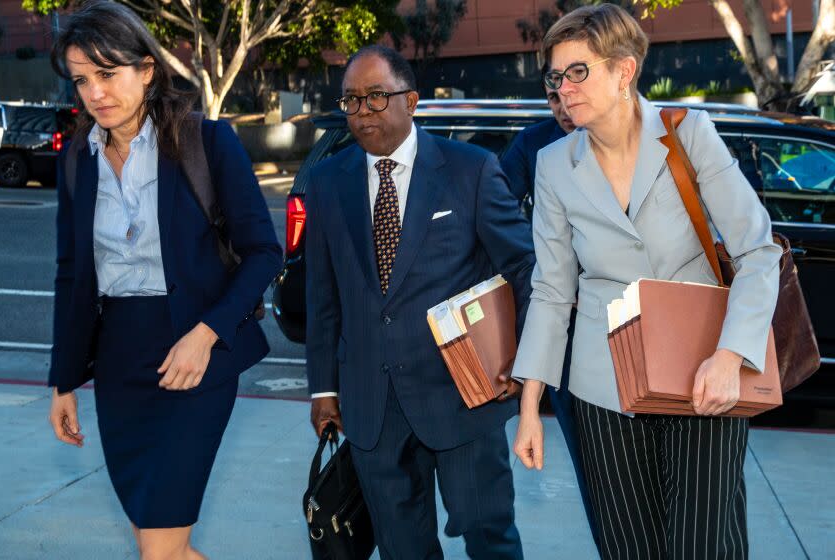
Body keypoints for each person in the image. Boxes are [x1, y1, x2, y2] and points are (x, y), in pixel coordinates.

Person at [511, 5, 781, 559]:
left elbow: (757, 250)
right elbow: (553, 291)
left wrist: (731, 356)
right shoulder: (554, 164)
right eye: (556, 77)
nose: (564, 89)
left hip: (705, 371)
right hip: (602, 386)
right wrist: (531, 406)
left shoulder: (689, 135)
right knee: (629, 546)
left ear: (624, 70)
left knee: (704, 543)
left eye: (579, 71)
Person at [46, 3, 281, 559]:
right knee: (162, 546)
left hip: (195, 356)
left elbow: (264, 252)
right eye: (82, 80)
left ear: (146, 69)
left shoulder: (207, 143)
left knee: (160, 549)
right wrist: (62, 381)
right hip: (119, 363)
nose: (95, 92)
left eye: (107, 73)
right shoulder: (79, 158)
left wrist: (206, 334)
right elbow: (72, 274)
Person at [305, 45, 535, 559]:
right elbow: (323, 296)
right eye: (351, 101)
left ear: (411, 100)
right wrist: (323, 388)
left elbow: (522, 268)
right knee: (402, 548)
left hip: (467, 394)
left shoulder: (471, 170)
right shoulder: (326, 182)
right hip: (372, 406)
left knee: (489, 535)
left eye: (376, 97)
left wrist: (523, 361)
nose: (362, 112)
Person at [500, 63, 600, 550]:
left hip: (631, 317)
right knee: (591, 456)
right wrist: (548, 259)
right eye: (552, 99)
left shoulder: (621, 138)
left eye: (569, 95)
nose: (562, 109)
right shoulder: (534, 145)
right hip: (563, 325)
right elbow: (497, 211)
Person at [501, 64, 573, 210]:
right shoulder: (531, 141)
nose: (565, 108)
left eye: (570, 95)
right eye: (555, 98)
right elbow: (501, 208)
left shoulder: (615, 136)